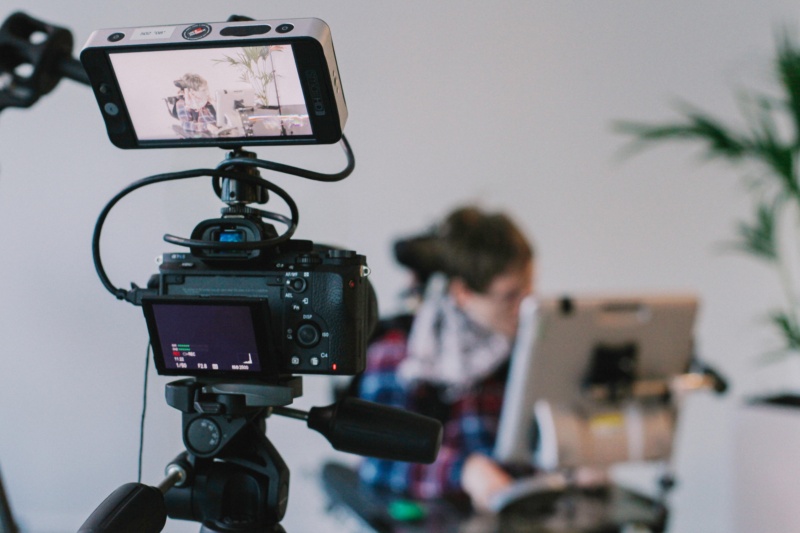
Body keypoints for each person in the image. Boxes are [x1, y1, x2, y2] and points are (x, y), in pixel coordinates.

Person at [358, 205, 535, 511]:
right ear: (463, 291)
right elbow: (378, 460)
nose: (525, 306)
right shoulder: (401, 353)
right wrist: (463, 471)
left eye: (529, 289)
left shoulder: (523, 348)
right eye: (509, 295)